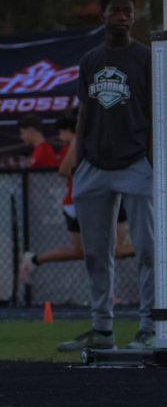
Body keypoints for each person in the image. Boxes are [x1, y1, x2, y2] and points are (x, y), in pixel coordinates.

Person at [56, 0, 155, 354]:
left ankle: (148, 327)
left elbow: (156, 110)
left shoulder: (145, 58)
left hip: (135, 162)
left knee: (147, 250)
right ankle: (102, 327)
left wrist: (152, 159)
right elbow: (84, 112)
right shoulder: (90, 61)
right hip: (93, 165)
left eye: (128, 10)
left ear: (134, 15)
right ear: (103, 14)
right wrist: (77, 157)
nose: (123, 15)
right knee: (96, 252)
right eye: (116, 9)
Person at [17, 114, 134, 286]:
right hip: (86, 202)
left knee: (87, 252)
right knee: (111, 250)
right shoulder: (78, 144)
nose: (59, 136)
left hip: (87, 201)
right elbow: (64, 170)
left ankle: (35, 259)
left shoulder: (88, 142)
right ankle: (156, 250)